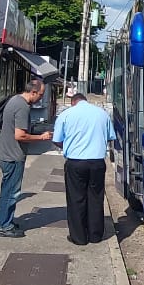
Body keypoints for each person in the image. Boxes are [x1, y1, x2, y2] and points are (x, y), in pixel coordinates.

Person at [53, 93, 116, 245]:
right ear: (85, 100)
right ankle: (95, 235)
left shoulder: (66, 115)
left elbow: (57, 140)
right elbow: (110, 137)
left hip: (75, 162)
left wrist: (68, 146)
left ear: (73, 102)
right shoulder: (102, 114)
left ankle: (79, 237)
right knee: (96, 198)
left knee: (76, 198)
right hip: (97, 162)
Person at [0, 77, 53, 238]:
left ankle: (4, 220)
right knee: (11, 192)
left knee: (7, 190)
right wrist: (41, 137)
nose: (41, 98)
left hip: (5, 152)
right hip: (13, 155)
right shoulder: (22, 107)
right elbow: (20, 135)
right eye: (40, 94)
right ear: (33, 92)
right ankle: (4, 226)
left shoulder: (14, 100)